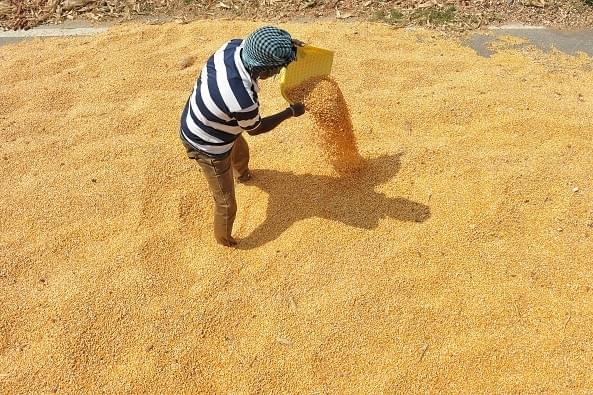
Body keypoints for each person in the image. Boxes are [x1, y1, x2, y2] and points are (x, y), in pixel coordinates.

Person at [179, 26, 306, 247]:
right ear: (263, 71)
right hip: (207, 145)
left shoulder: (233, 46)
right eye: (277, 69)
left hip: (209, 118)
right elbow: (256, 128)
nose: (276, 73)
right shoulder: (242, 99)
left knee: (240, 150)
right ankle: (225, 240)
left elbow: (263, 42)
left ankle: (242, 174)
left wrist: (286, 45)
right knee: (226, 202)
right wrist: (290, 112)